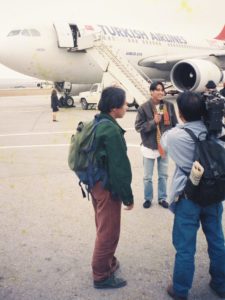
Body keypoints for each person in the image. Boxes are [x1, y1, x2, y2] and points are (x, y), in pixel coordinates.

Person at [161, 92, 225, 300]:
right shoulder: (217, 132)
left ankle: (180, 290)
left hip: (188, 195)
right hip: (214, 193)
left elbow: (163, 143)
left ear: (180, 113)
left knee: (185, 246)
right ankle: (221, 284)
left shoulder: (174, 136)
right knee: (217, 241)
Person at [90, 86, 134, 289]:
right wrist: (128, 196)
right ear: (115, 107)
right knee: (109, 232)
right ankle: (101, 275)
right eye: (125, 103)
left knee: (102, 226)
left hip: (94, 183)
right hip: (107, 186)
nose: (127, 107)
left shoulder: (98, 121)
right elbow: (120, 168)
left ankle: (108, 262)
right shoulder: (111, 130)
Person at [135, 81, 178, 209]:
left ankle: (162, 198)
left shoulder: (168, 106)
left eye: (162, 90)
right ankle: (148, 198)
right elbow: (138, 127)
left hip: (164, 146)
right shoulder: (143, 108)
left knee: (163, 175)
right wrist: (153, 122)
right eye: (158, 90)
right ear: (151, 92)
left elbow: (174, 125)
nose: (161, 92)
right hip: (149, 146)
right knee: (147, 176)